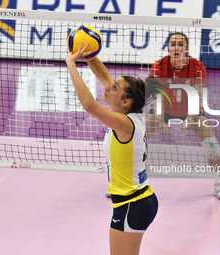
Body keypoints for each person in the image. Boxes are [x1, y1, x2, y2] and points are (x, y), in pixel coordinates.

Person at [66, 43, 159, 255]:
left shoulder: (124, 123)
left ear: (125, 101)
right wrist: (88, 55)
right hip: (140, 200)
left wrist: (71, 64)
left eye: (114, 88)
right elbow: (105, 74)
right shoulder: (129, 113)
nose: (108, 87)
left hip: (131, 205)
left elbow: (89, 105)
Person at [147, 32, 220, 200]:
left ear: (186, 48)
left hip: (190, 109)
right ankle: (126, 182)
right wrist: (160, 120)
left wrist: (191, 118)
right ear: (168, 47)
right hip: (164, 110)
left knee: (213, 147)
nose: (176, 47)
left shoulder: (197, 66)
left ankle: (217, 183)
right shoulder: (159, 66)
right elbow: (156, 97)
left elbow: (197, 95)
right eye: (172, 44)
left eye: (180, 44)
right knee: (135, 142)